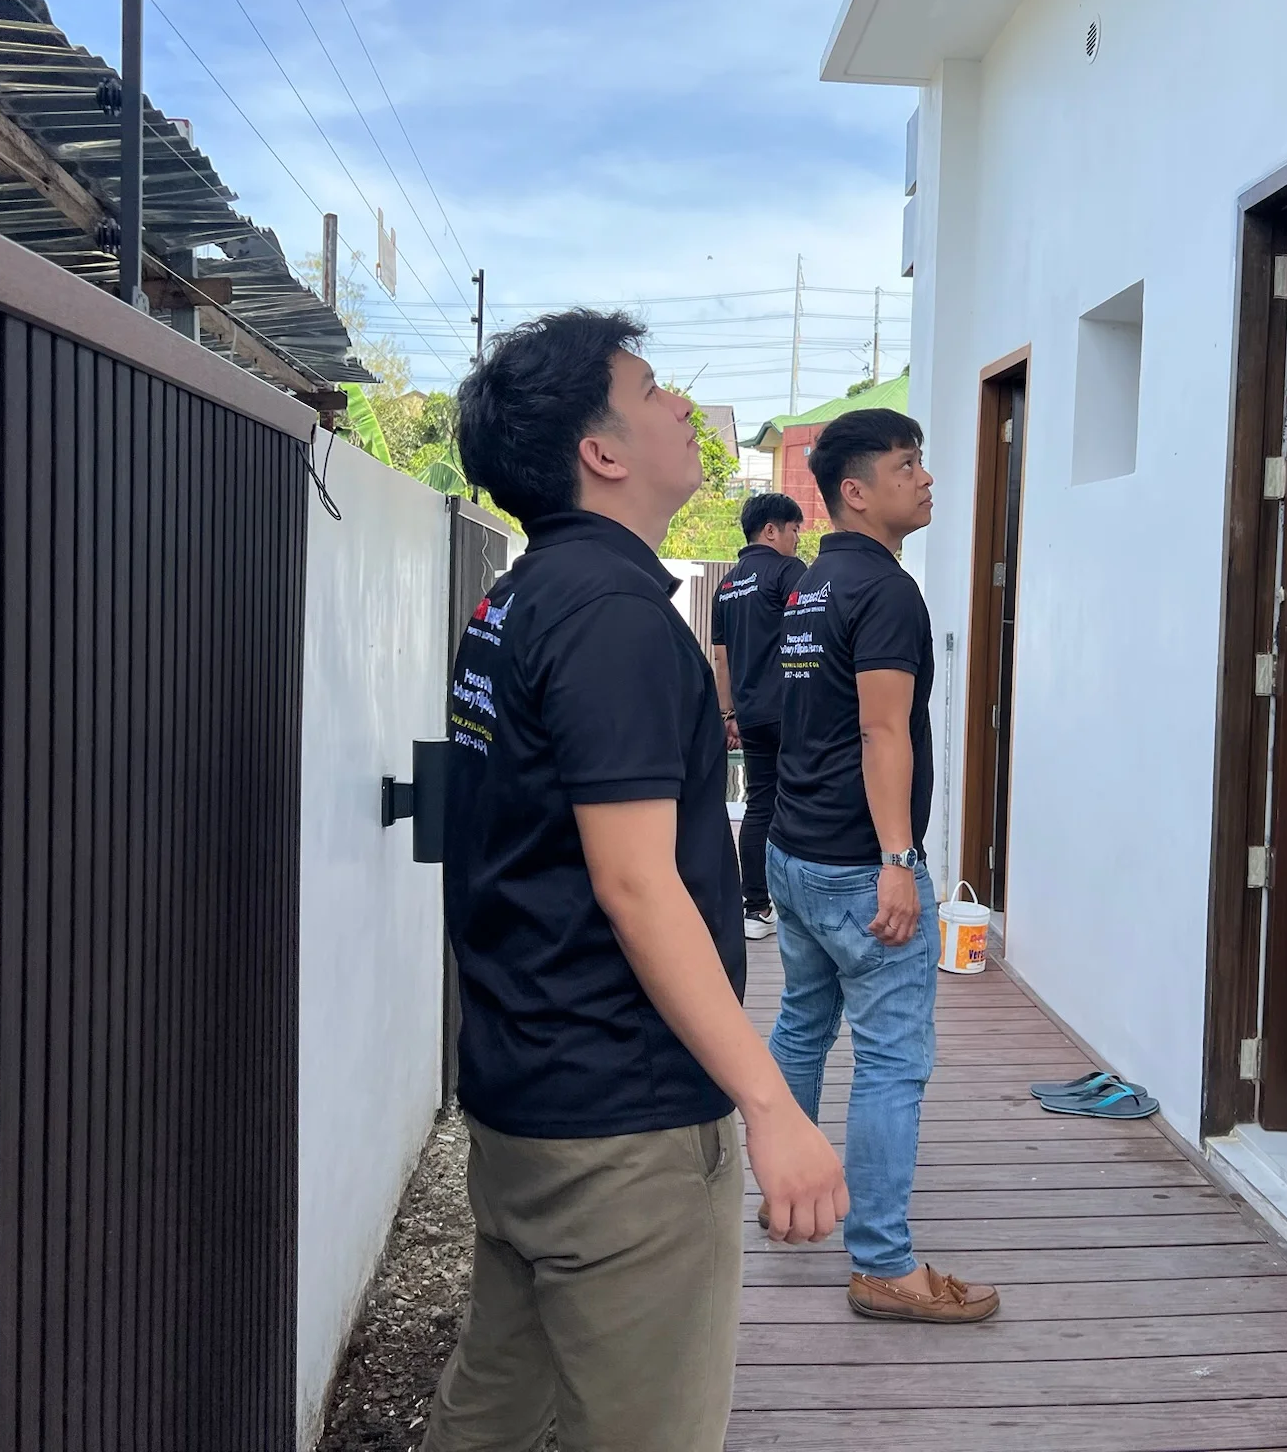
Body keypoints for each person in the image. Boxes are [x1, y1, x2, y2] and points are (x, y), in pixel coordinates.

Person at [427, 310, 848, 1452]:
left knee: (492, 1409)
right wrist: (773, 1108)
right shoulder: (612, 617)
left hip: (526, 1090)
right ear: (600, 451)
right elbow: (635, 886)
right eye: (654, 389)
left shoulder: (516, 599)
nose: (682, 407)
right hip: (623, 1129)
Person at [763, 408, 1000, 1324]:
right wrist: (898, 859)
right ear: (856, 492)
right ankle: (884, 1263)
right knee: (893, 1061)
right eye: (907, 466)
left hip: (796, 852)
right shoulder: (888, 593)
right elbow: (880, 730)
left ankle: (786, 1198)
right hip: (861, 867)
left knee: (803, 1025)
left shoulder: (812, 584)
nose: (926, 478)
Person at [711, 491, 807, 941]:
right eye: (794, 530)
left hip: (750, 715)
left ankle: (755, 908)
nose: (797, 539)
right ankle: (801, 908)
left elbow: (721, 660)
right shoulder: (789, 572)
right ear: (771, 530)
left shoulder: (726, 586)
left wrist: (728, 713)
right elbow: (810, 633)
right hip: (792, 710)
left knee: (760, 804)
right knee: (803, 800)